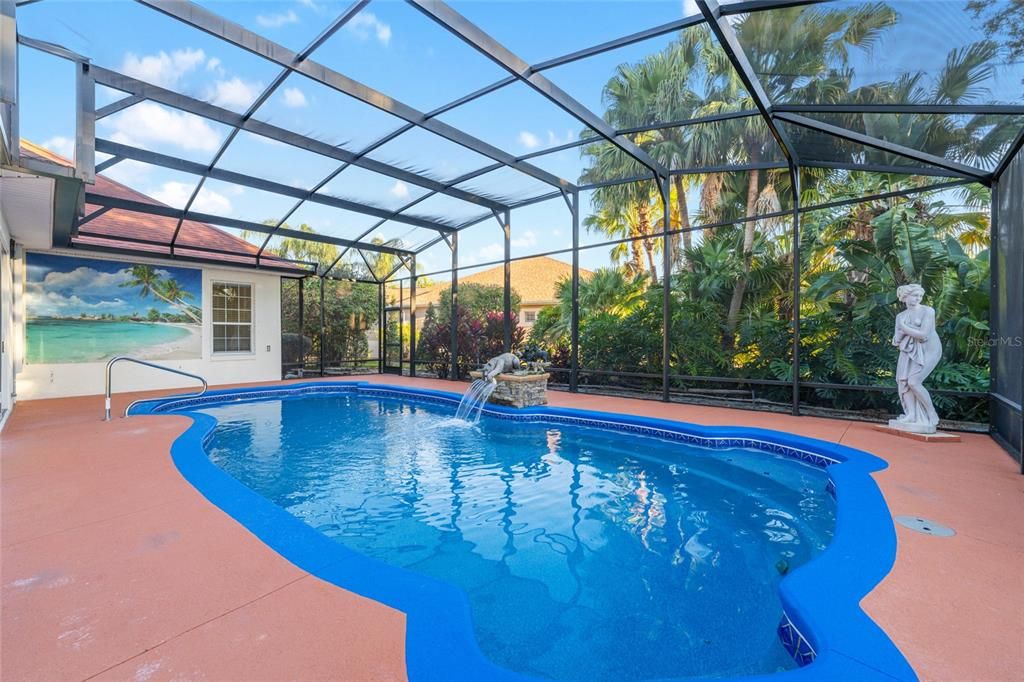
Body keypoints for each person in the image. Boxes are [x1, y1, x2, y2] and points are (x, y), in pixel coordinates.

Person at [891, 283, 942, 432]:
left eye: (920, 296)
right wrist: (901, 333)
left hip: (929, 349)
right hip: (908, 349)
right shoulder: (901, 316)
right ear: (905, 297)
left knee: (914, 381)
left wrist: (904, 328)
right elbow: (896, 340)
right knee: (904, 381)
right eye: (915, 295)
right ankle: (911, 415)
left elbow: (923, 335)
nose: (918, 298)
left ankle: (931, 412)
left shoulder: (928, 311)